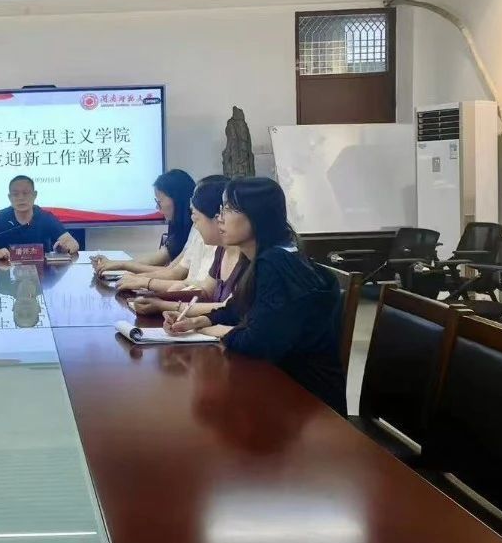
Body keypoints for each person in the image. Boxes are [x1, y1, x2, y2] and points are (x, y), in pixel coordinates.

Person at [162, 177, 346, 414]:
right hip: (282, 389)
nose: (220, 217)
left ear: (256, 215)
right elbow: (237, 308)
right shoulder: (267, 254)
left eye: (229, 209)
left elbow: (255, 342)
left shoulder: (275, 263)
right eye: (221, 209)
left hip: (307, 403)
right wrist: (198, 321)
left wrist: (205, 331)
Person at [117, 175, 236, 312]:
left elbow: (229, 309)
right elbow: (203, 290)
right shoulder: (219, 248)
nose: (194, 221)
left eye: (227, 212)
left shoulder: (244, 256)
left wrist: (162, 301)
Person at [91, 169, 197, 275]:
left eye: (159, 202)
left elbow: (172, 272)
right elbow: (160, 258)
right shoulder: (178, 223)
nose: (157, 207)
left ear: (177, 199)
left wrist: (121, 265)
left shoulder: (197, 228)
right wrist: (114, 264)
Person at [0, 175, 79, 259]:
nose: (21, 198)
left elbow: (73, 243)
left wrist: (65, 248)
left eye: (25, 193)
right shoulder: (0, 217)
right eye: (15, 194)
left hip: (42, 274)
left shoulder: (45, 217)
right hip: (6, 272)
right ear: (9, 197)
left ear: (34, 195)